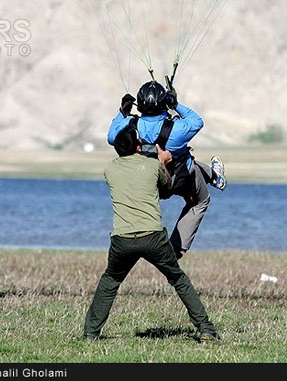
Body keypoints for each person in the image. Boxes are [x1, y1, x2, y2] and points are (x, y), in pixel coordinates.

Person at [83, 124, 220, 342]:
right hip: (153, 237)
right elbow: (166, 188)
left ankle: (90, 333)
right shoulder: (151, 166)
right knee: (178, 279)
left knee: (110, 281)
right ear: (138, 147)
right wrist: (163, 162)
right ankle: (206, 329)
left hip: (122, 239)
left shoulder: (109, 169)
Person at [107, 81, 226, 259]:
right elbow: (197, 121)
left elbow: (111, 137)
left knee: (190, 161)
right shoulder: (177, 129)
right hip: (179, 180)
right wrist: (176, 105)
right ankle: (175, 250)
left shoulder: (131, 126)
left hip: (151, 183)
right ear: (164, 104)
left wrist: (122, 112)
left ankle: (215, 176)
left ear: (139, 105)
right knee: (200, 200)